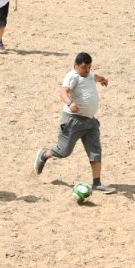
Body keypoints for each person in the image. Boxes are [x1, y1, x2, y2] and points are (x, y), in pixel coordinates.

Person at [32, 53, 116, 195]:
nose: (87, 70)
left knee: (95, 151)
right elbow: (63, 91)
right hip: (73, 121)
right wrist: (70, 103)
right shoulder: (73, 76)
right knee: (64, 151)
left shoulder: (89, 74)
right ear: (76, 66)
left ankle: (97, 183)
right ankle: (44, 155)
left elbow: (96, 77)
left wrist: (103, 79)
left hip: (90, 121)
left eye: (89, 67)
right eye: (84, 67)